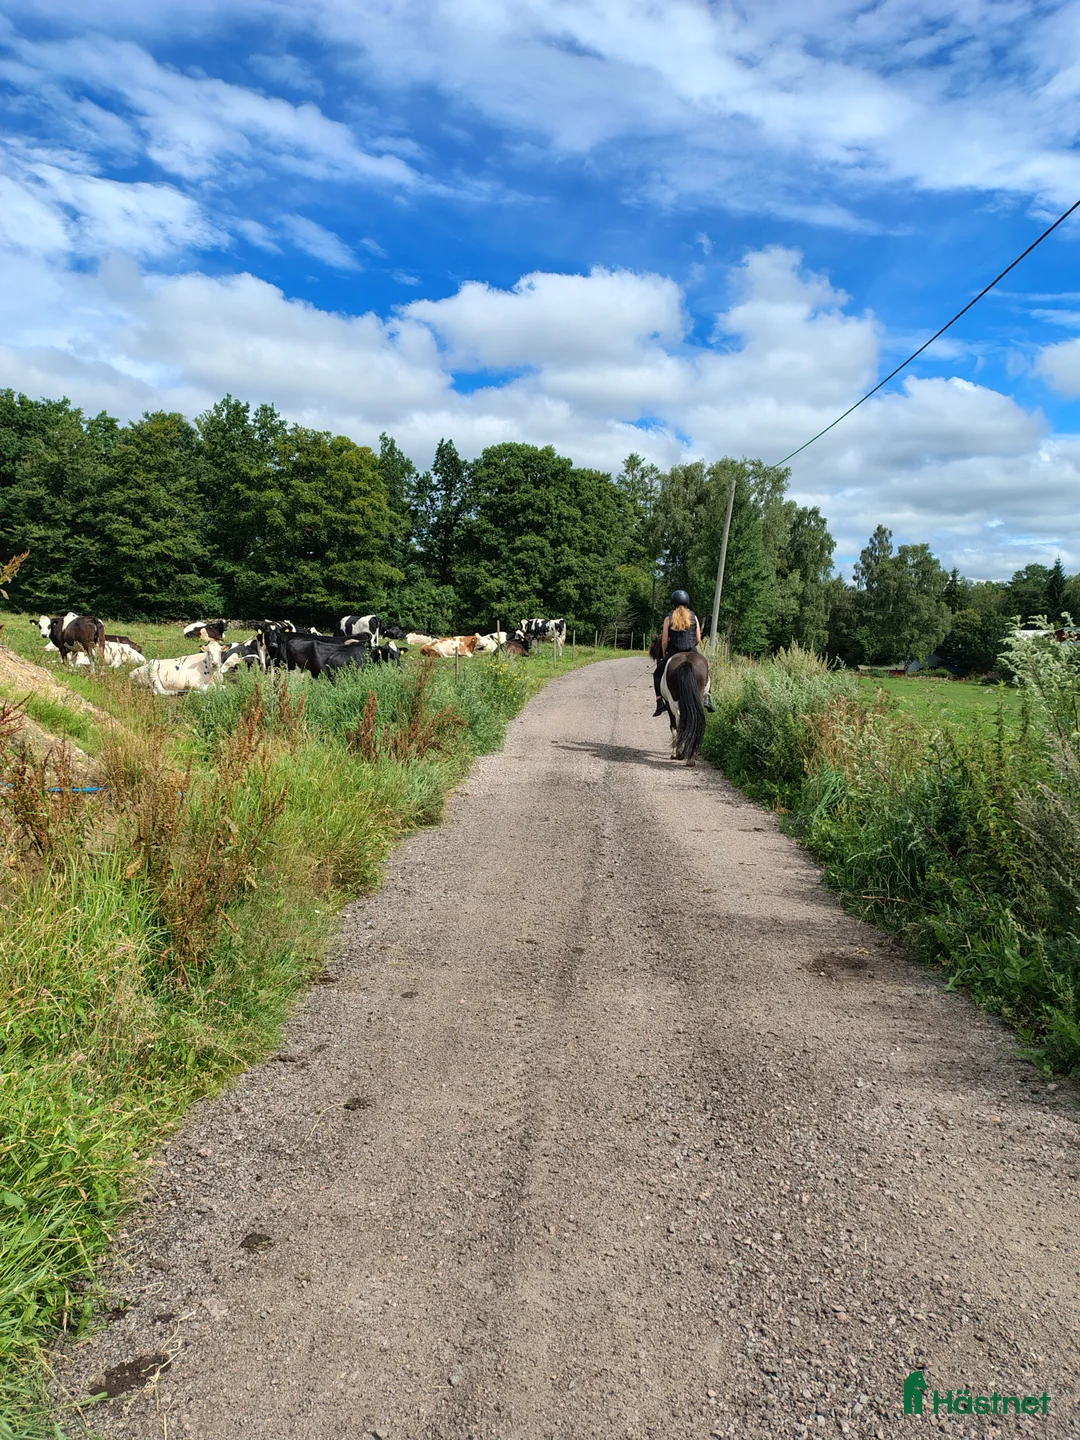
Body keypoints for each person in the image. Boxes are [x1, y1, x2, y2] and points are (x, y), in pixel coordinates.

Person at [652, 589, 715, 716]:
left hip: (674, 651)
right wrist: (692, 646)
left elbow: (664, 641)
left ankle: (659, 703)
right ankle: (708, 697)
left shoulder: (669, 618)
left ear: (673, 602)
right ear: (687, 602)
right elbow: (698, 638)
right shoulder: (694, 616)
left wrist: (665, 654)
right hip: (692, 649)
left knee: (657, 674)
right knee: (705, 666)